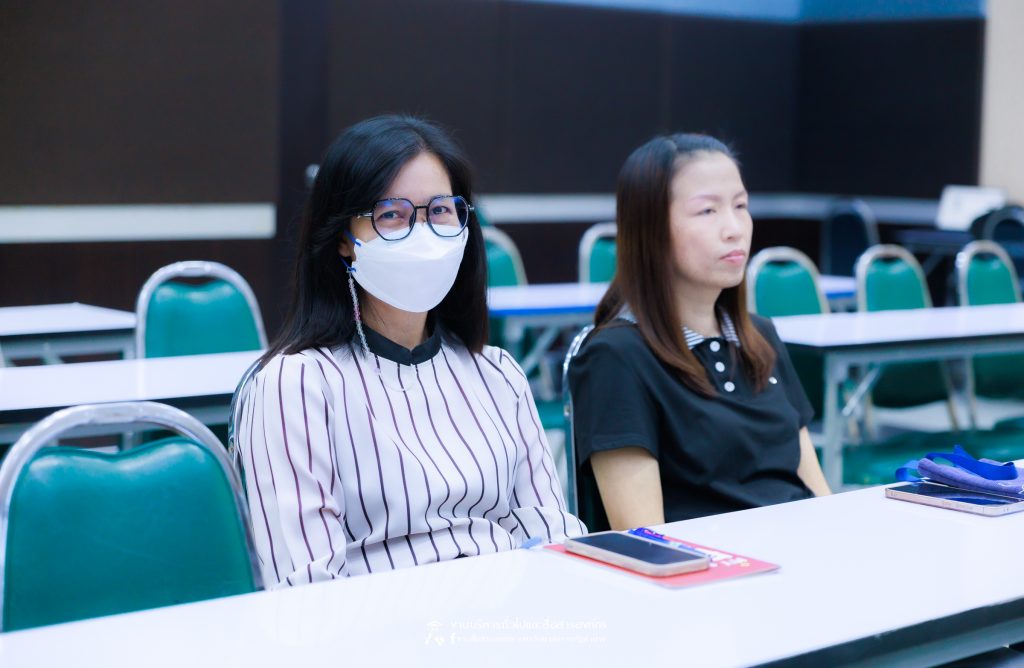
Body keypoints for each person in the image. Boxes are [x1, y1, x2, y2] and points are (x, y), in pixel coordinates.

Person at [237, 115, 584, 587]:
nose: (423, 234)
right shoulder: (296, 385)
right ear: (343, 239)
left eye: (440, 211)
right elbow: (307, 588)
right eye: (392, 215)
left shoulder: (498, 374)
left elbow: (552, 541)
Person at [567, 133, 831, 531]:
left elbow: (821, 499)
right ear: (650, 228)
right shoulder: (615, 356)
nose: (734, 229)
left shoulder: (759, 336)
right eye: (707, 211)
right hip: (713, 566)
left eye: (740, 206)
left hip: (801, 552)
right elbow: (644, 538)